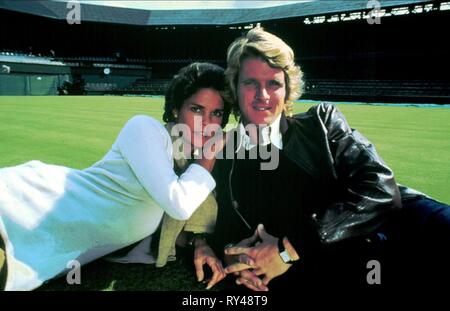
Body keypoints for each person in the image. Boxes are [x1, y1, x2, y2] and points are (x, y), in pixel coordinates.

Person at [193, 27, 450, 291]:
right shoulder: (222, 154)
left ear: (288, 89)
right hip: (335, 262)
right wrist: (234, 255)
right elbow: (220, 224)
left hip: (400, 224)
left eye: (274, 83)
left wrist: (288, 249)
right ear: (235, 87)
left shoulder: (322, 123)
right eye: (250, 83)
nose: (263, 96)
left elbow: (381, 188)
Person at [0, 62, 231, 291]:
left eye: (216, 113)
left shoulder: (189, 169)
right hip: (29, 205)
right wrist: (211, 152)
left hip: (42, 252)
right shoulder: (146, 129)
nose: (206, 123)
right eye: (196, 109)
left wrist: (198, 242)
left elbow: (173, 224)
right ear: (175, 109)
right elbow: (179, 203)